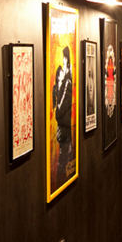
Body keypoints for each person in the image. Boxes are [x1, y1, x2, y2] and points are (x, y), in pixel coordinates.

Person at [54, 47, 73, 181]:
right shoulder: (60, 86)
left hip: (64, 125)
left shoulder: (67, 82)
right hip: (64, 125)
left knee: (64, 155)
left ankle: (61, 177)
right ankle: (61, 178)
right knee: (64, 154)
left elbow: (61, 109)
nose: (63, 62)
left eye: (64, 58)